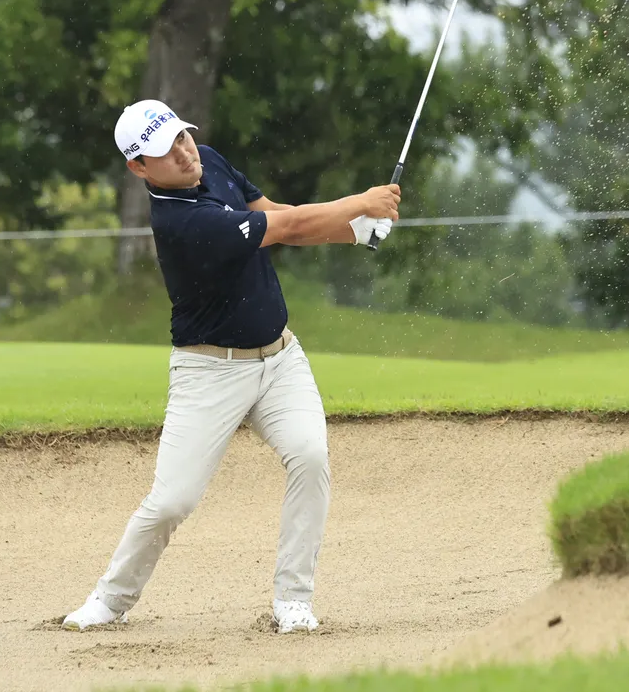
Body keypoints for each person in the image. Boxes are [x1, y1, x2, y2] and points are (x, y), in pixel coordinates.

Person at [62, 98, 400, 634]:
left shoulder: (211, 160)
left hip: (280, 359)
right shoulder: (181, 223)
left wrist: (353, 230)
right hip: (208, 373)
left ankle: (293, 600)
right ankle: (110, 599)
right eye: (165, 150)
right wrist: (361, 202)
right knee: (172, 501)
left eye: (181, 136)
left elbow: (281, 218)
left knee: (310, 457)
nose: (183, 152)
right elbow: (282, 225)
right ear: (139, 168)